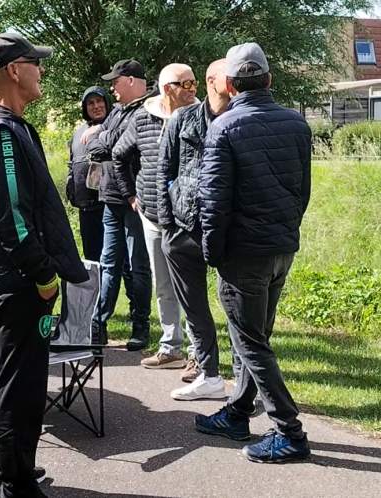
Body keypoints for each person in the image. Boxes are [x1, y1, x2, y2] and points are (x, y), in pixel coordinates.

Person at [0, 32, 88, 497]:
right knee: (22, 389)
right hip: (16, 285)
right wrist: (45, 276)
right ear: (14, 70)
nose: (42, 71)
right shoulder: (1, 133)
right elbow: (10, 218)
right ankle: (14, 483)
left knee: (5, 381)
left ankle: (1, 473)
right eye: (36, 63)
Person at [194, 43, 312, 463]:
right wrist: (285, 231)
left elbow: (213, 201)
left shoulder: (224, 126)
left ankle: (290, 433)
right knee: (254, 338)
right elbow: (303, 192)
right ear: (269, 80)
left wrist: (213, 252)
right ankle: (239, 412)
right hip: (280, 247)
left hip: (244, 254)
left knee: (251, 343)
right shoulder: (297, 124)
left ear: (229, 84)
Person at [113, 63, 197, 368]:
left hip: (186, 219)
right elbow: (119, 155)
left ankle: (197, 353)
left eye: (194, 83)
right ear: (167, 88)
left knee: (189, 285)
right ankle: (170, 345)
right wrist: (131, 196)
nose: (192, 90)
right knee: (163, 285)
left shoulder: (199, 117)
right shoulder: (143, 117)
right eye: (185, 84)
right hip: (151, 215)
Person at [157, 59, 230, 398]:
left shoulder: (237, 121)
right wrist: (168, 228)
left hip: (228, 230)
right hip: (184, 228)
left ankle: (245, 383)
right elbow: (163, 172)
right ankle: (209, 374)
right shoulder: (182, 120)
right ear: (213, 80)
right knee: (195, 306)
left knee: (235, 308)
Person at [83, 59, 154, 351]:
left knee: (138, 266)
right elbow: (96, 147)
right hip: (111, 198)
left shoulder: (146, 110)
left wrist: (102, 138)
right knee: (108, 263)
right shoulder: (117, 113)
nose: (112, 86)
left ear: (132, 80)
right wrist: (102, 138)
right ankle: (98, 324)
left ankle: (141, 327)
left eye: (116, 80)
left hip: (136, 199)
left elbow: (113, 146)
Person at [66, 86, 111, 260]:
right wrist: (71, 185)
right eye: (91, 103)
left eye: (99, 101)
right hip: (86, 207)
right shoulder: (79, 132)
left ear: (107, 102)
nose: (96, 106)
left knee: (117, 260)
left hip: (110, 205)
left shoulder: (115, 126)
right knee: (92, 258)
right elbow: (72, 162)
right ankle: (97, 288)